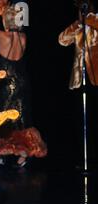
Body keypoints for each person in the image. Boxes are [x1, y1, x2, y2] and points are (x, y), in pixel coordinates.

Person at [0, 0, 47, 167]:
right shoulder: (23, 37)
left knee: (4, 118)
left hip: (7, 84)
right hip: (23, 82)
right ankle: (24, 153)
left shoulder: (2, 36)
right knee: (22, 119)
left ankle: (0, 153)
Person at [59, 0, 98, 165]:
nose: (82, 11)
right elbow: (62, 40)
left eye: (85, 7)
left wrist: (88, 18)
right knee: (80, 119)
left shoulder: (95, 21)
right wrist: (77, 24)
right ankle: (83, 157)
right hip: (78, 79)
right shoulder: (79, 26)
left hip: (95, 78)